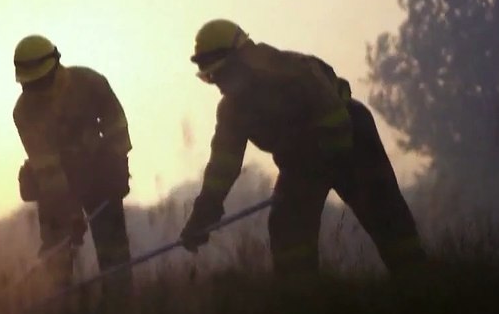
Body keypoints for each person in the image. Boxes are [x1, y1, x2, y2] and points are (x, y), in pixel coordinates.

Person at [178, 19, 427, 278]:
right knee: (288, 230)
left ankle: (419, 282)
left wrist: (330, 158)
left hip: (352, 141)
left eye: (223, 74)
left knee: (385, 215)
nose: (219, 85)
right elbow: (223, 165)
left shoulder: (292, 72)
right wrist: (204, 213)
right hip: (300, 162)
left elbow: (334, 115)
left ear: (243, 59)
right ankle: (300, 295)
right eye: (212, 78)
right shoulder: (232, 110)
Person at [12, 34, 134, 295]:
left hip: (100, 174)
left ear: (56, 66)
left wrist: (118, 166)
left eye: (42, 81)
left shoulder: (90, 83)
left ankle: (120, 298)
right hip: (56, 183)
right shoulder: (24, 111)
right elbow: (48, 170)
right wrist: (69, 212)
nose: (38, 90)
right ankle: (60, 300)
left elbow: (117, 126)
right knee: (56, 250)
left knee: (113, 248)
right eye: (31, 84)